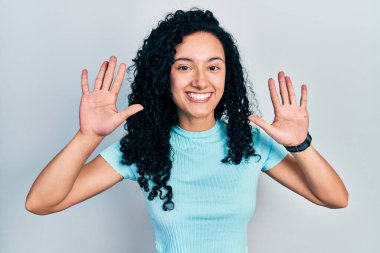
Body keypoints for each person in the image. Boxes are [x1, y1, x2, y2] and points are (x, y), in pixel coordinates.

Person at [25, 7, 349, 253]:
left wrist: (300, 145)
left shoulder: (249, 143)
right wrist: (88, 137)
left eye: (213, 67)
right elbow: (40, 202)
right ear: (164, 76)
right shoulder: (143, 148)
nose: (200, 81)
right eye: (183, 66)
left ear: (227, 76)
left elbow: (335, 198)